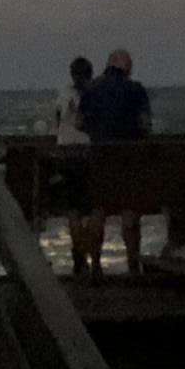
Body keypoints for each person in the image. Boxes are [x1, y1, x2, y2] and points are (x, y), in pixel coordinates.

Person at [77, 48, 151, 280]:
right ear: (126, 67)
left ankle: (96, 264)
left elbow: (79, 123)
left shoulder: (91, 90)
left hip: (100, 160)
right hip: (129, 161)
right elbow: (146, 125)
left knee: (98, 212)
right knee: (130, 214)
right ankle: (132, 264)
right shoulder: (136, 90)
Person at [51, 55, 94, 274]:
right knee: (91, 210)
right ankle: (88, 255)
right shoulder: (93, 95)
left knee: (74, 210)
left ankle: (79, 256)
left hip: (66, 156)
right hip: (87, 155)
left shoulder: (63, 94)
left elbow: (57, 121)